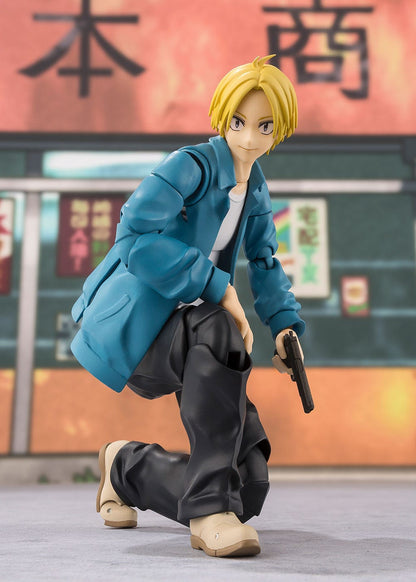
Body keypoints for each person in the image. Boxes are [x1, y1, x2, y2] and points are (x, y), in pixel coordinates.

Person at [71, 55, 305, 558]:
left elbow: (265, 259)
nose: (249, 137)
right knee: (220, 325)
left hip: (198, 339)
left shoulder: (254, 187)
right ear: (222, 116)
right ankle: (207, 511)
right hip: (140, 329)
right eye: (239, 122)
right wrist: (218, 286)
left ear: (279, 129)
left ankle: (125, 468)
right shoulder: (190, 165)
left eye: (265, 126)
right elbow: (134, 237)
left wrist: (285, 326)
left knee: (249, 485)